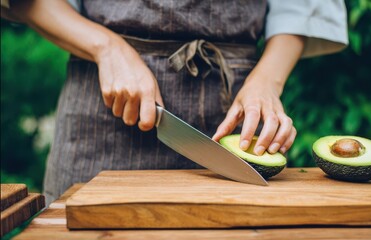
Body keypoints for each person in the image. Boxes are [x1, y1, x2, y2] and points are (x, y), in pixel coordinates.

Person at [1, 0, 348, 204]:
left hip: (231, 113)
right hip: (103, 112)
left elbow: (303, 6)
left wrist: (267, 81)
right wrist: (106, 48)